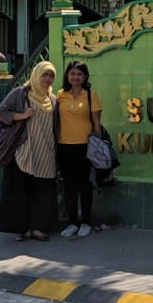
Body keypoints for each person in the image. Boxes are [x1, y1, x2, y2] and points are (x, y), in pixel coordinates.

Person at [0, 60, 58, 242]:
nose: (47, 79)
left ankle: (38, 228)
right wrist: (22, 115)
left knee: (42, 192)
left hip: (45, 152)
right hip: (23, 151)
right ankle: (22, 229)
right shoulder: (21, 94)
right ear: (36, 75)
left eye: (50, 75)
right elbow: (1, 112)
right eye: (44, 75)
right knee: (22, 192)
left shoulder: (52, 99)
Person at [57, 59, 102, 238]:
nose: (75, 77)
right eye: (72, 73)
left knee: (84, 185)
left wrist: (98, 145)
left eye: (79, 74)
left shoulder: (90, 95)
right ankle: (72, 222)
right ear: (67, 75)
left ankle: (86, 221)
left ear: (85, 77)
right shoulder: (60, 95)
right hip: (64, 146)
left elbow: (96, 124)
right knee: (69, 186)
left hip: (85, 146)